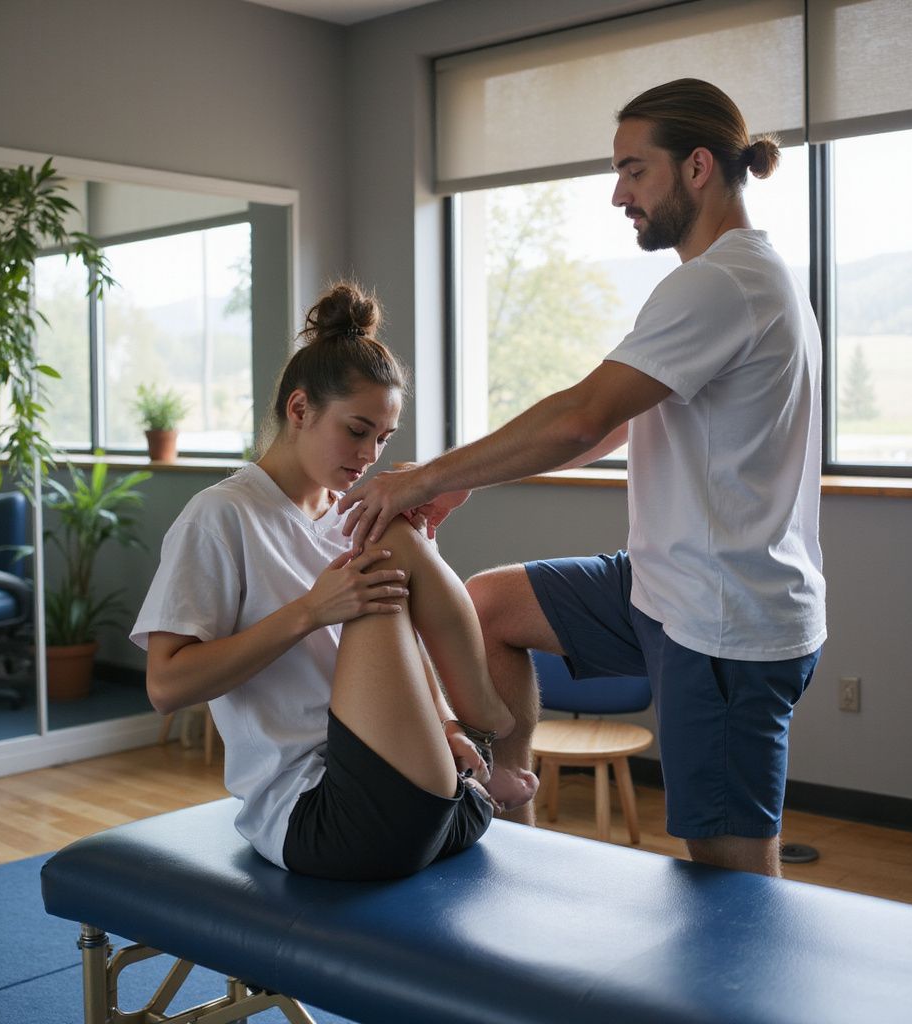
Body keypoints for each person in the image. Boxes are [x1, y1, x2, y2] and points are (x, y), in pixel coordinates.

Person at [337, 79, 826, 877]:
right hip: (667, 585)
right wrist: (468, 481)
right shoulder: (735, 277)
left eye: (635, 170)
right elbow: (619, 425)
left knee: (731, 879)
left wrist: (420, 481)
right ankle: (513, 823)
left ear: (697, 166)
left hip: (725, 622)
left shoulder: (721, 283)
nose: (617, 194)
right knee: (487, 607)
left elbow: (581, 417)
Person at [130, 280, 527, 882]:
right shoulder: (222, 516)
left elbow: (392, 654)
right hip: (324, 815)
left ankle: (471, 729)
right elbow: (165, 686)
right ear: (299, 409)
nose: (369, 454)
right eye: (357, 430)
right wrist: (310, 612)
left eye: (383, 438)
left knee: (387, 535)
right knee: (385, 542)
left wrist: (441, 725)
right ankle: (491, 724)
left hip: (430, 799)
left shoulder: (352, 514)